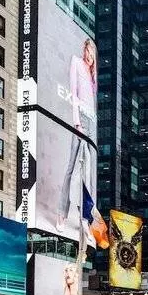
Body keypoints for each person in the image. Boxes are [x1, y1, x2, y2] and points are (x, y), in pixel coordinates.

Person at [56, 38, 97, 231]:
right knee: (71, 168)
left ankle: (85, 221)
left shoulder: (92, 74)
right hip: (80, 119)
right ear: (84, 51)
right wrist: (77, 123)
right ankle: (61, 215)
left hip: (91, 122)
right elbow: (73, 94)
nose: (89, 57)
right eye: (87, 52)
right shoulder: (76, 62)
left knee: (88, 176)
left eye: (92, 54)